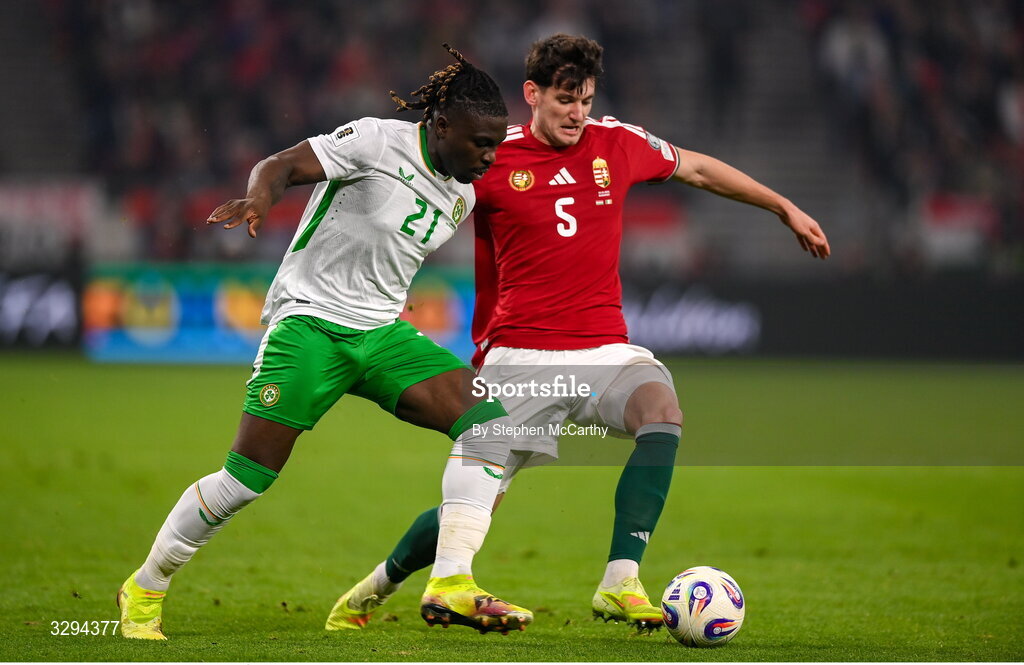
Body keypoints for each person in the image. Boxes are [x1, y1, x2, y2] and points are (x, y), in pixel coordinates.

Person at [326, 34, 831, 634]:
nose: (577, 113)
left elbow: (695, 167)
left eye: (586, 100)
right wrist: (393, 277)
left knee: (661, 412)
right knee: (475, 504)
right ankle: (378, 586)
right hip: (517, 353)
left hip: (604, 349)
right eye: (566, 100)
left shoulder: (616, 144)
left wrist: (782, 207)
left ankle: (620, 580)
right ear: (532, 94)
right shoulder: (492, 158)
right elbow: (421, 207)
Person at [116, 45, 535, 640]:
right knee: (245, 480)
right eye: (480, 144)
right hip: (310, 323)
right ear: (441, 126)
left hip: (382, 333)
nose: (490, 157)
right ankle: (145, 587)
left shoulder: (464, 190)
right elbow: (282, 164)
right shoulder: (374, 141)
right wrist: (260, 196)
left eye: (497, 145)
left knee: (491, 426)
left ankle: (452, 583)